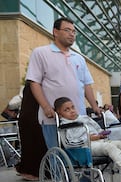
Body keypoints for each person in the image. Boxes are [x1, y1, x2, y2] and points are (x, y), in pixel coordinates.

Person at [26, 17, 101, 149]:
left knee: (83, 155)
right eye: (67, 30)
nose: (72, 34)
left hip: (78, 118)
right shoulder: (41, 53)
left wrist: (94, 106)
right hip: (53, 118)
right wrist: (46, 107)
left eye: (73, 31)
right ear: (55, 32)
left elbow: (86, 85)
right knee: (57, 155)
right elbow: (34, 82)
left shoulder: (78, 58)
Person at [54, 97, 121, 182]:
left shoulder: (84, 118)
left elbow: (97, 129)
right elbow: (69, 144)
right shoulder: (64, 127)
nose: (71, 111)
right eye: (66, 110)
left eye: (72, 107)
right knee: (110, 148)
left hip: (100, 141)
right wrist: (89, 138)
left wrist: (101, 134)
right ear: (60, 114)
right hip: (84, 148)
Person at [15, 82, 47, 181]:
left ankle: (31, 170)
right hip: (34, 118)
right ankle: (34, 171)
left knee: (30, 144)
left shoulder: (31, 85)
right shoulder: (36, 85)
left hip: (29, 117)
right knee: (36, 144)